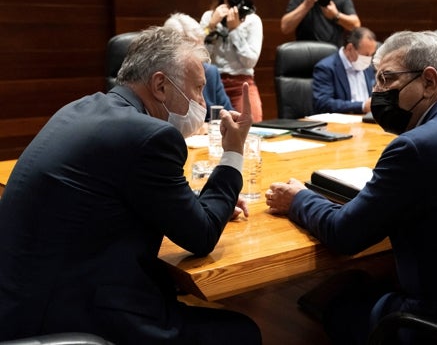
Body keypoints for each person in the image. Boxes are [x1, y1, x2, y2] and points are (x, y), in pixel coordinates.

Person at [0, 26, 262, 345]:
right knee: (243, 332)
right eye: (197, 89)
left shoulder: (83, 108)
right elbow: (202, 235)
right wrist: (233, 151)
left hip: (23, 300)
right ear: (161, 85)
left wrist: (191, 201)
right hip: (69, 319)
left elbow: (119, 192)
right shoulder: (149, 137)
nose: (202, 103)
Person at [265, 30, 437, 344]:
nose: (377, 91)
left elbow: (343, 234)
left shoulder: (415, 148)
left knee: (329, 302)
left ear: (429, 81)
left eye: (386, 79)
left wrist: (298, 199)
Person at [200, 0, 264, 122]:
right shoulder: (208, 17)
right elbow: (200, 58)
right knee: (210, 128)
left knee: (252, 126)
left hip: (242, 84)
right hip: (211, 84)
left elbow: (250, 62)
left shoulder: (252, 20)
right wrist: (211, 26)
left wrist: (235, 30)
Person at [164, 12, 233, 120]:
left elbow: (229, 116)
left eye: (201, 46)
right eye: (194, 49)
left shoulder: (210, 72)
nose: (200, 56)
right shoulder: (163, 79)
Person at [312, 26, 377, 114]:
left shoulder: (368, 67)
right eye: (365, 54)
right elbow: (323, 103)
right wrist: (362, 106)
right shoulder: (326, 68)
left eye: (371, 54)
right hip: (341, 123)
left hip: (368, 120)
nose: (369, 59)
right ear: (350, 48)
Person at [281, 0, 361, 46]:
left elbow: (356, 25)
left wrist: (336, 15)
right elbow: (285, 27)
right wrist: (306, 5)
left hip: (332, 54)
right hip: (305, 53)